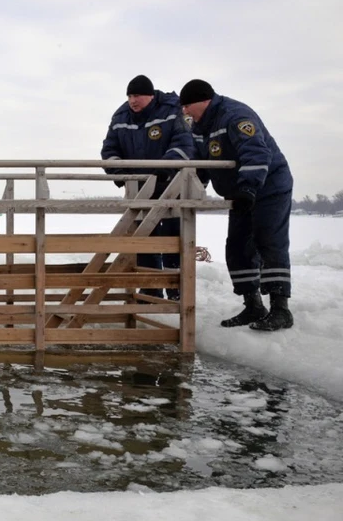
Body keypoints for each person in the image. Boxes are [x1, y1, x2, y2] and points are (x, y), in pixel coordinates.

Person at [180, 79, 294, 331]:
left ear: (204, 101)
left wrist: (248, 188)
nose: (184, 111)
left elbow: (256, 152)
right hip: (240, 192)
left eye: (187, 105)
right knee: (237, 246)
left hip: (268, 186)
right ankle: (253, 305)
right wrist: (189, 188)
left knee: (268, 241)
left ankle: (281, 309)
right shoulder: (199, 127)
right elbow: (201, 164)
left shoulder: (235, 115)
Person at [101, 75, 196, 300]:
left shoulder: (172, 111)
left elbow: (184, 144)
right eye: (130, 96)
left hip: (172, 186)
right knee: (144, 239)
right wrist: (120, 173)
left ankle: (176, 288)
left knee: (174, 237)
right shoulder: (121, 116)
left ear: (150, 96)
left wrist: (164, 169)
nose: (133, 100)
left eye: (137, 96)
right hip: (139, 189)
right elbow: (109, 149)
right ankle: (150, 286)